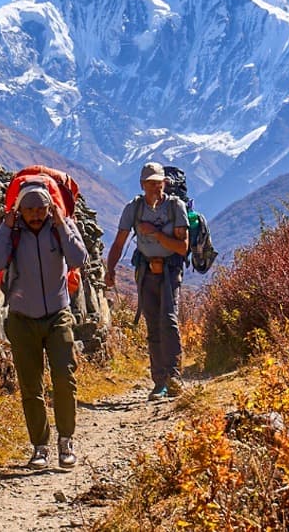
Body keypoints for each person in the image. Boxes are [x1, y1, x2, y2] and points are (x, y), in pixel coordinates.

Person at [0, 180, 88, 469]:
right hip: (21, 319)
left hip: (58, 315)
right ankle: (39, 447)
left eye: (40, 208)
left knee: (65, 379)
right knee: (31, 386)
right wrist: (6, 227)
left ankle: (66, 441)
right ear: (19, 210)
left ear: (49, 207)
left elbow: (79, 258)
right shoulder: (12, 233)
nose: (35, 214)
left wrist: (62, 224)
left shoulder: (61, 227)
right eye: (28, 209)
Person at [104, 162, 189, 400]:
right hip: (145, 269)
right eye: (150, 183)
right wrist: (109, 269)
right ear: (142, 184)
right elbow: (119, 243)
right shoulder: (134, 208)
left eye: (158, 182)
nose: (155, 187)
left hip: (170, 269)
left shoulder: (176, 207)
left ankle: (174, 378)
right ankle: (159, 381)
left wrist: (155, 233)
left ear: (164, 183)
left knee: (169, 320)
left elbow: (182, 248)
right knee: (153, 323)